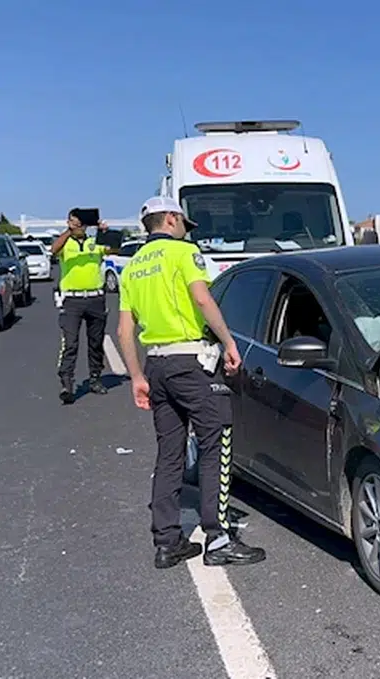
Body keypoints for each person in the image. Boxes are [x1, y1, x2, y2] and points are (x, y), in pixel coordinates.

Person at [117, 195, 266, 569]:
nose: (187, 229)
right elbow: (202, 299)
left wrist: (136, 377)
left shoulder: (132, 266)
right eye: (184, 222)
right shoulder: (184, 253)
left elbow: (123, 330)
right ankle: (218, 538)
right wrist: (229, 342)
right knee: (215, 443)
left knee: (170, 453)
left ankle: (167, 543)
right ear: (171, 218)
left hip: (156, 364)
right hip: (193, 362)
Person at [51, 210, 110, 404]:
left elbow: (114, 249)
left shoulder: (95, 241)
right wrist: (69, 231)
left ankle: (95, 378)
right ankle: (66, 382)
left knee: (96, 342)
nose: (77, 226)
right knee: (70, 342)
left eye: (81, 223)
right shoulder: (65, 242)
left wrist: (104, 232)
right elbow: (53, 250)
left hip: (95, 297)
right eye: (73, 222)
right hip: (72, 300)